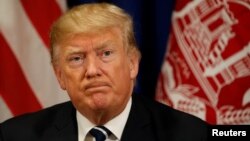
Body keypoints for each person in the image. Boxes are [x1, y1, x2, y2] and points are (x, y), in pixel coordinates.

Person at [0, 2, 208, 141]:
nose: (91, 70)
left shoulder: (188, 134)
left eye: (106, 53)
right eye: (76, 58)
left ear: (132, 64)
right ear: (60, 75)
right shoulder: (15, 136)